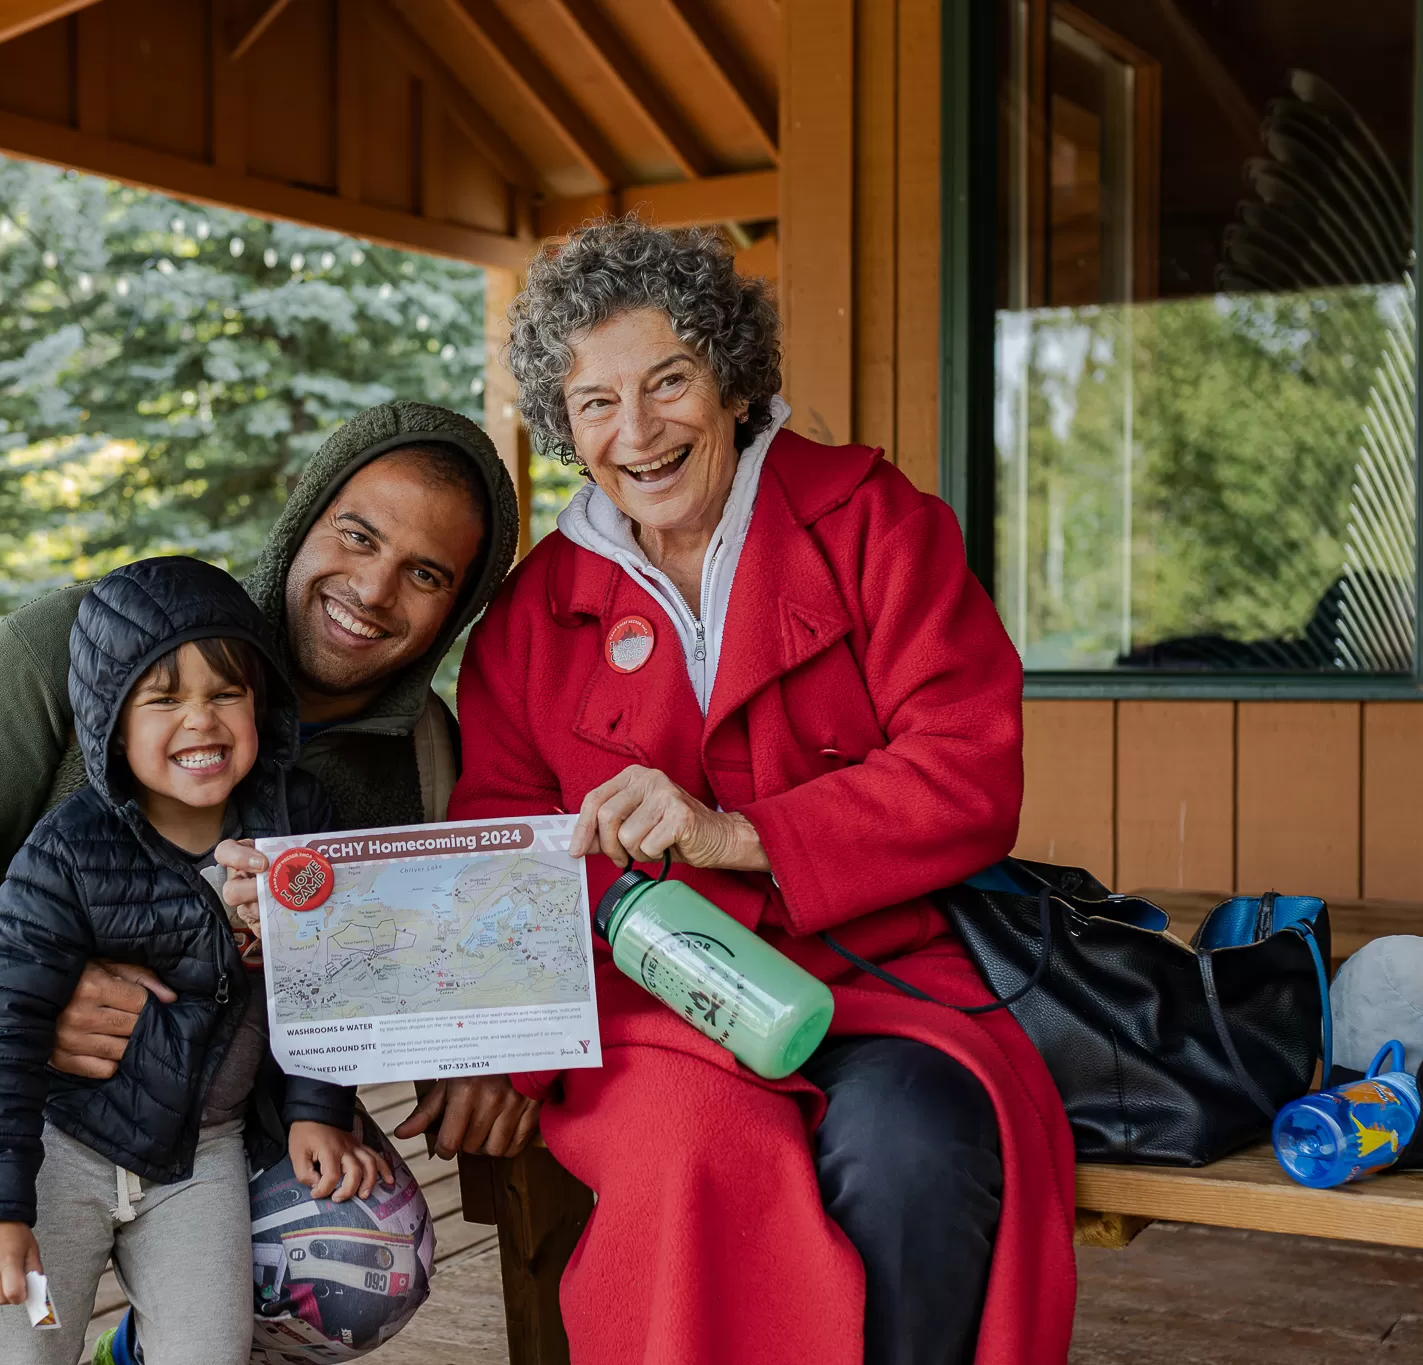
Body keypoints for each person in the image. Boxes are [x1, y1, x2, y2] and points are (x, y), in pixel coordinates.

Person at [444, 218, 1076, 1365]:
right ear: (563, 425)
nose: (635, 432)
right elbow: (498, 850)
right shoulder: (529, 620)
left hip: (881, 977)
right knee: (689, 1159)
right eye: (594, 402)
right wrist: (506, 1054)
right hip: (648, 1013)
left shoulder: (874, 525)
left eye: (667, 381)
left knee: (915, 1151)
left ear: (730, 380)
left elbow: (968, 767)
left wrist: (735, 834)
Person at [0, 403, 534, 1365]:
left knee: (364, 1263)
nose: (373, 587)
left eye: (426, 574)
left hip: (220, 1111)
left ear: (457, 607)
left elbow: (424, 958)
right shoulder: (79, 638)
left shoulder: (422, 760)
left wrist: (483, 1048)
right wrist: (4, 989)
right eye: (358, 534)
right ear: (304, 518)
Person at [0, 557, 388, 1365]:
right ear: (113, 720)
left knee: (208, 1351)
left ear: (261, 702)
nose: (201, 721)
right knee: (32, 1342)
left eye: (226, 693)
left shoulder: (295, 827)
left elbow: (326, 982)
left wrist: (317, 1109)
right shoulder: (67, 851)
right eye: (163, 698)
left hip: (200, 1163)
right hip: (60, 1157)